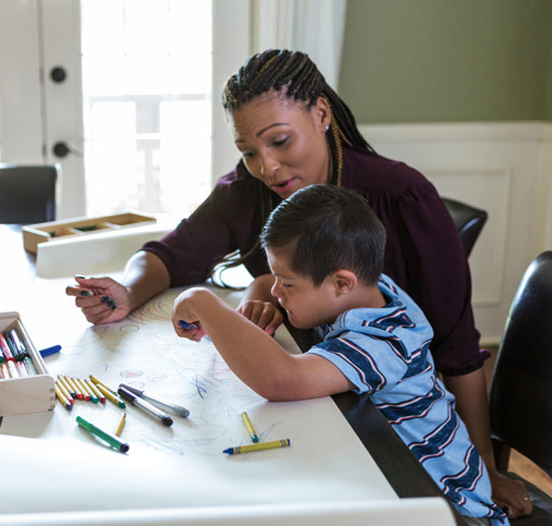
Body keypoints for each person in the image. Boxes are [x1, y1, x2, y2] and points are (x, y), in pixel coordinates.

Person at [65, 49, 531, 517]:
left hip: (404, 454)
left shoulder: (403, 201)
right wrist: (128, 291)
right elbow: (171, 253)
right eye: (248, 152)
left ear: (322, 114)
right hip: (341, 416)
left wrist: (484, 468)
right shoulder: (250, 191)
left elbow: (457, 349)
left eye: (280, 141)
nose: (267, 167)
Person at [172, 185, 507, 525]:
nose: (276, 291)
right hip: (389, 471)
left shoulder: (381, 341)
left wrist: (203, 302)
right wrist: (260, 296)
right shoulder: (376, 288)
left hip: (446, 506)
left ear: (342, 284)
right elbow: (263, 284)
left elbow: (281, 379)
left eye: (286, 284)